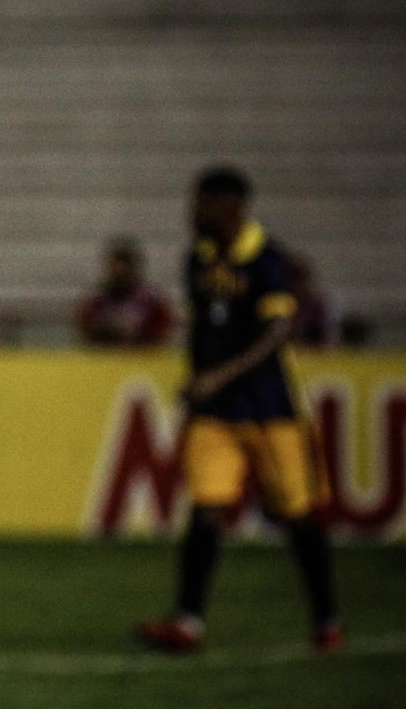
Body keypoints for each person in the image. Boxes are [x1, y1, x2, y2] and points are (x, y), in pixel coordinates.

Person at [138, 165, 340, 653]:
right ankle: (188, 621)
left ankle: (326, 619)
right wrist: (196, 381)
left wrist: (216, 376)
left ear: (229, 208)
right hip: (216, 416)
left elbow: (277, 332)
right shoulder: (198, 259)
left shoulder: (267, 259)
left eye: (200, 204)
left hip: (272, 411)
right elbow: (207, 330)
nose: (191, 213)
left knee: (297, 516)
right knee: (205, 510)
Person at [77, 237, 174, 346]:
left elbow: (162, 332)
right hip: (104, 360)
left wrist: (139, 334)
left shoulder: (151, 301)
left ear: (133, 268)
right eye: (115, 268)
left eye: (124, 269)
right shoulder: (96, 300)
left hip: (142, 359)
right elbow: (85, 331)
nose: (119, 274)